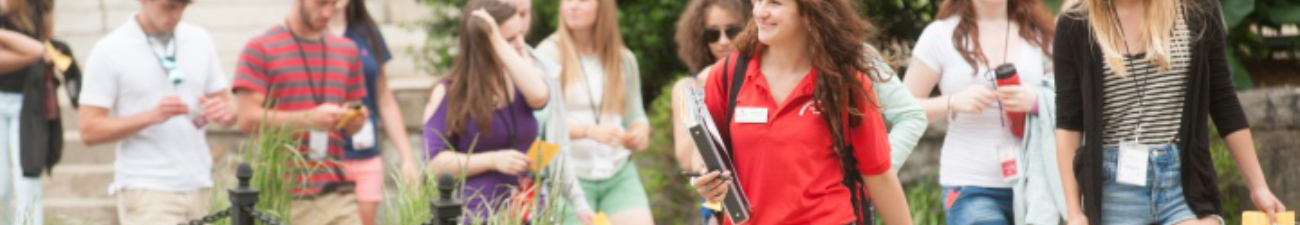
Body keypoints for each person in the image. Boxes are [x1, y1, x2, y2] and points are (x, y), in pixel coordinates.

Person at [1054, 0, 1289, 224]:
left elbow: (1223, 101)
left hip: (1184, 182)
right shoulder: (1076, 22)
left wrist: (1258, 186)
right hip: (1115, 188)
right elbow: (1069, 123)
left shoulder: (1197, 10)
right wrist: (1074, 212)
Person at [688, 0, 915, 223]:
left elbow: (879, 175)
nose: (759, 11)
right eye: (757, 0)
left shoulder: (845, 80)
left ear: (809, 10)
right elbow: (708, 150)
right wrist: (706, 178)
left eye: (775, 3)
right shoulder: (727, 75)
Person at [77, 0, 236, 224]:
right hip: (147, 188)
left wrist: (224, 111)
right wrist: (149, 117)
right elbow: (89, 130)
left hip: (200, 184)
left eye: (183, 7)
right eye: (169, 7)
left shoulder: (200, 39)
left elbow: (229, 106)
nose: (177, 14)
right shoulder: (109, 50)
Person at [900, 0, 1055, 223]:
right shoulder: (940, 35)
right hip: (970, 183)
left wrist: (1035, 100)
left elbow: (1066, 99)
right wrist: (953, 102)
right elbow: (904, 109)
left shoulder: (1039, 33)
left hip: (1035, 184)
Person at [231, 0, 370, 223]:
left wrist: (356, 121)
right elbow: (247, 119)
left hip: (338, 190)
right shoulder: (261, 48)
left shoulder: (347, 50)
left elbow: (356, 111)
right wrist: (308, 120)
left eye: (333, 5)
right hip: (285, 194)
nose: (327, 12)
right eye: (321, 3)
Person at [420, 0, 551, 221]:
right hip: (477, 213)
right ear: (486, 45)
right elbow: (433, 165)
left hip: (527, 211)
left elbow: (539, 95)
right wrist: (491, 160)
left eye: (520, 34)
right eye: (509, 39)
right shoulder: (450, 91)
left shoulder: (522, 78)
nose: (520, 44)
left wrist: (506, 48)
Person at [535, 0, 654, 223]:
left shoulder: (623, 58)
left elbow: (636, 116)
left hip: (618, 173)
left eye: (582, 0)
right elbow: (539, 122)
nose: (572, 5)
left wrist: (639, 133)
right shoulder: (547, 54)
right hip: (567, 177)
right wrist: (588, 131)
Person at [500, 0, 598, 222]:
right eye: (510, 14)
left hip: (535, 196)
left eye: (524, 14)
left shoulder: (545, 68)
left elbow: (557, 144)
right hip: (489, 198)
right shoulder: (475, 77)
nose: (518, 25)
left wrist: (579, 203)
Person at [325, 1, 420, 224]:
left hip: (364, 152)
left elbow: (384, 97)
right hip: (323, 155)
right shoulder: (311, 34)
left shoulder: (366, 32)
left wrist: (407, 156)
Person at [0, 0, 48, 223]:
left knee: (27, 177)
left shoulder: (39, 5)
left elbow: (48, 46)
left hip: (29, 101)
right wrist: (35, 53)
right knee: (1, 185)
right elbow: (42, 50)